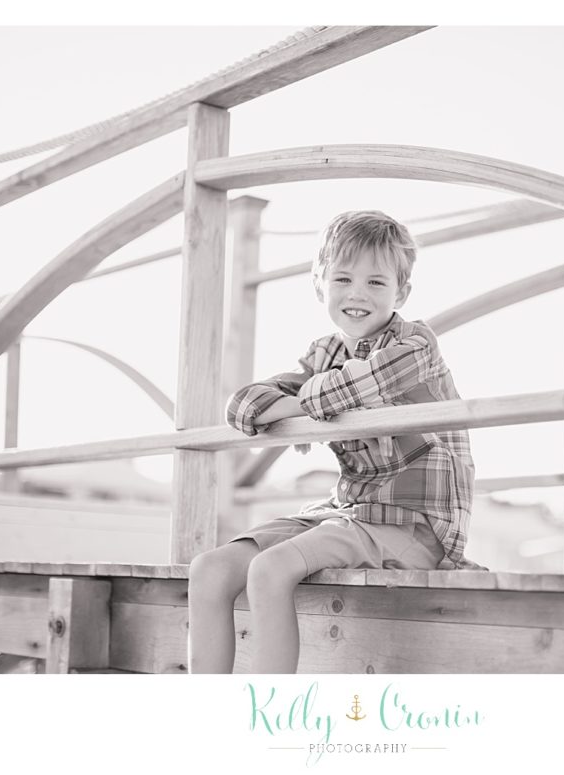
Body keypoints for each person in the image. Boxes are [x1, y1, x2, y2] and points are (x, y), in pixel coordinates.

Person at [188, 210, 485, 674]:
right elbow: (244, 407)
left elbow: (351, 387)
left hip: (417, 524)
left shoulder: (416, 346)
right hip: (349, 511)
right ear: (319, 283)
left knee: (269, 569)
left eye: (376, 283)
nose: (357, 294)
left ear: (401, 292)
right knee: (209, 568)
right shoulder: (323, 353)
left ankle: (266, 716)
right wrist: (306, 407)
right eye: (343, 278)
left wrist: (298, 405)